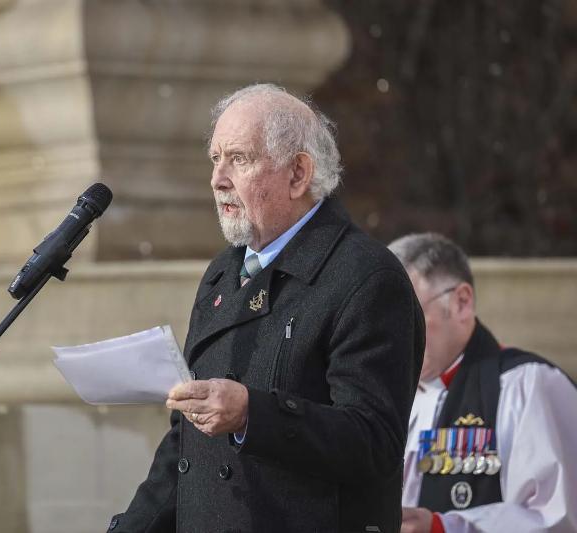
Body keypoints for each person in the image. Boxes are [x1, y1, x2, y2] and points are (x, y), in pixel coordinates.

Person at [108, 83, 425, 533]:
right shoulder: (222, 273)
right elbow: (186, 447)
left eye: (239, 159)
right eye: (215, 159)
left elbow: (373, 442)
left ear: (298, 174)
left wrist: (252, 414)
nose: (218, 178)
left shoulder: (367, 277)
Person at [388, 233, 577, 533]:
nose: (391, 335)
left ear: (461, 302)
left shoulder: (527, 386)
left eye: (407, 314)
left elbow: (558, 518)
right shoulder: (384, 394)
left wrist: (442, 528)